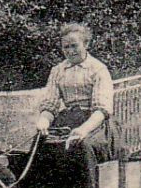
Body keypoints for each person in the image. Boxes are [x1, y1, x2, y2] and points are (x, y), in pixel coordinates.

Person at [35, 22, 115, 163]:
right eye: (66, 47)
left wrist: (83, 129)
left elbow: (102, 110)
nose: (70, 51)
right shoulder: (58, 71)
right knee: (41, 145)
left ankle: (87, 185)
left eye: (74, 46)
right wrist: (43, 120)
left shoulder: (98, 69)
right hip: (67, 120)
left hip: (94, 123)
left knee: (82, 146)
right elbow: (50, 105)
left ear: (86, 44)